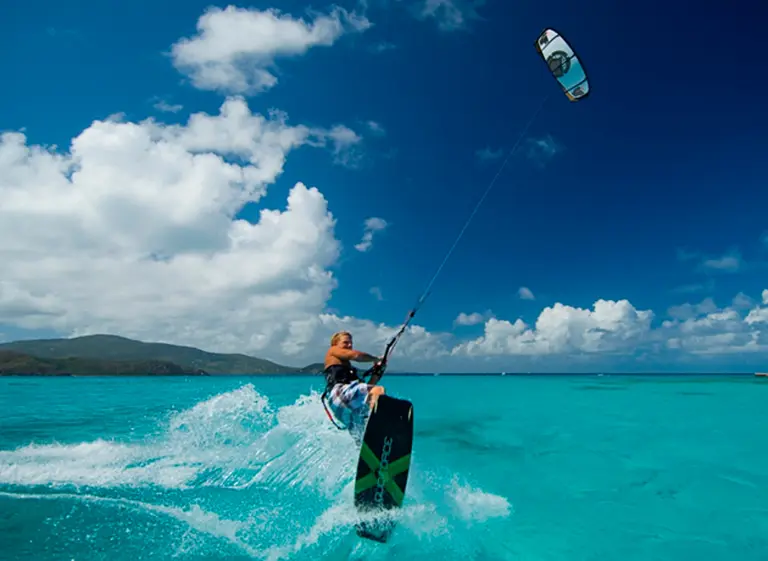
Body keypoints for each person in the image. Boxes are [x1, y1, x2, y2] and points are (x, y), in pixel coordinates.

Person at [323, 331, 386, 437]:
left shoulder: (349, 369)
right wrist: (376, 358)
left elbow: (370, 386)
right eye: (345, 342)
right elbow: (356, 355)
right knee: (378, 391)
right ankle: (381, 428)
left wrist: (378, 371)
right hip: (339, 394)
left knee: (361, 435)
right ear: (335, 344)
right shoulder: (332, 351)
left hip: (341, 406)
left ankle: (372, 446)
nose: (350, 345)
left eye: (351, 343)